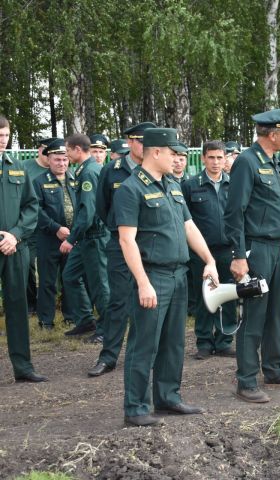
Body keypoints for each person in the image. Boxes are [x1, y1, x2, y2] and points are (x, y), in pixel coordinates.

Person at [115, 127, 217, 427]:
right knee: (144, 343)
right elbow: (126, 241)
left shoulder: (172, 185)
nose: (177, 158)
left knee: (174, 342)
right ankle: (135, 407)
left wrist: (209, 259)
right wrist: (143, 282)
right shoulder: (131, 189)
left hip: (178, 274)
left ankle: (167, 397)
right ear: (156, 152)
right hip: (153, 276)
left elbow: (189, 227)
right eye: (173, 153)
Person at [224, 106, 280, 404]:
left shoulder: (270, 161)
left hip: (275, 248)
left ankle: (275, 368)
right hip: (256, 249)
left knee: (276, 312)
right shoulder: (247, 162)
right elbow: (235, 211)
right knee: (255, 315)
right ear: (273, 134)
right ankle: (246, 380)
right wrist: (238, 255)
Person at [88, 121, 156, 377]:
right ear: (130, 142)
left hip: (150, 243)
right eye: (140, 140)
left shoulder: (156, 168)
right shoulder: (111, 170)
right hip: (120, 243)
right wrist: (120, 230)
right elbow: (103, 207)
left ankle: (147, 356)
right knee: (119, 301)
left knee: (150, 300)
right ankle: (109, 356)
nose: (145, 146)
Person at [0, 115, 47, 382]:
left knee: (18, 306)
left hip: (14, 248)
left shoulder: (17, 167)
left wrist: (15, 235)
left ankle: (23, 367)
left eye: (5, 135)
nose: (2, 141)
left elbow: (31, 206)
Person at [181, 140, 235, 359]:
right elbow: (184, 221)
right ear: (203, 158)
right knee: (204, 296)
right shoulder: (190, 185)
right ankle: (204, 342)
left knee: (229, 296)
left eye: (219, 157)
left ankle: (224, 340)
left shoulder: (234, 184)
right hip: (202, 253)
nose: (215, 162)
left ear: (225, 159)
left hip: (228, 250)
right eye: (211, 157)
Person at [62, 133, 110, 342]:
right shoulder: (85, 170)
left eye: (67, 150)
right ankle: (85, 320)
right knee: (70, 276)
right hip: (86, 237)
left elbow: (87, 212)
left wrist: (71, 239)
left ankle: (107, 329)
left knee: (100, 285)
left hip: (94, 236)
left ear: (77, 150)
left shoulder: (89, 172)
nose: (66, 153)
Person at [33, 139, 75, 330]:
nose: (62, 164)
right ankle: (46, 321)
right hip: (49, 239)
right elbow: (36, 210)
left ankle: (71, 317)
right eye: (57, 160)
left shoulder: (75, 179)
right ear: (48, 159)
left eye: (65, 160)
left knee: (70, 279)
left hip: (72, 239)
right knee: (48, 281)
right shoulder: (38, 182)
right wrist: (55, 228)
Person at [23, 136, 58, 316]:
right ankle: (31, 303)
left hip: (52, 229)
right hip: (29, 226)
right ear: (40, 150)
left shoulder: (61, 168)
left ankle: (59, 305)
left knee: (55, 269)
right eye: (47, 149)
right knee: (28, 264)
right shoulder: (25, 167)